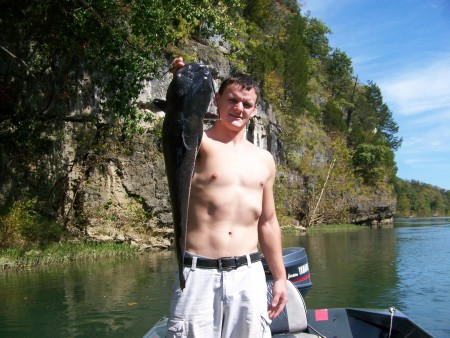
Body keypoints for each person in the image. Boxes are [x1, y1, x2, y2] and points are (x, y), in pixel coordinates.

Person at [167, 57, 287, 338]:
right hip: (198, 274)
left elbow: (268, 222)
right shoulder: (199, 143)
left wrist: (280, 277)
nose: (238, 108)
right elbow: (180, 117)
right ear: (216, 100)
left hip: (249, 275)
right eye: (232, 100)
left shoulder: (264, 159)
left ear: (254, 110)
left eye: (246, 104)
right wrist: (180, 81)